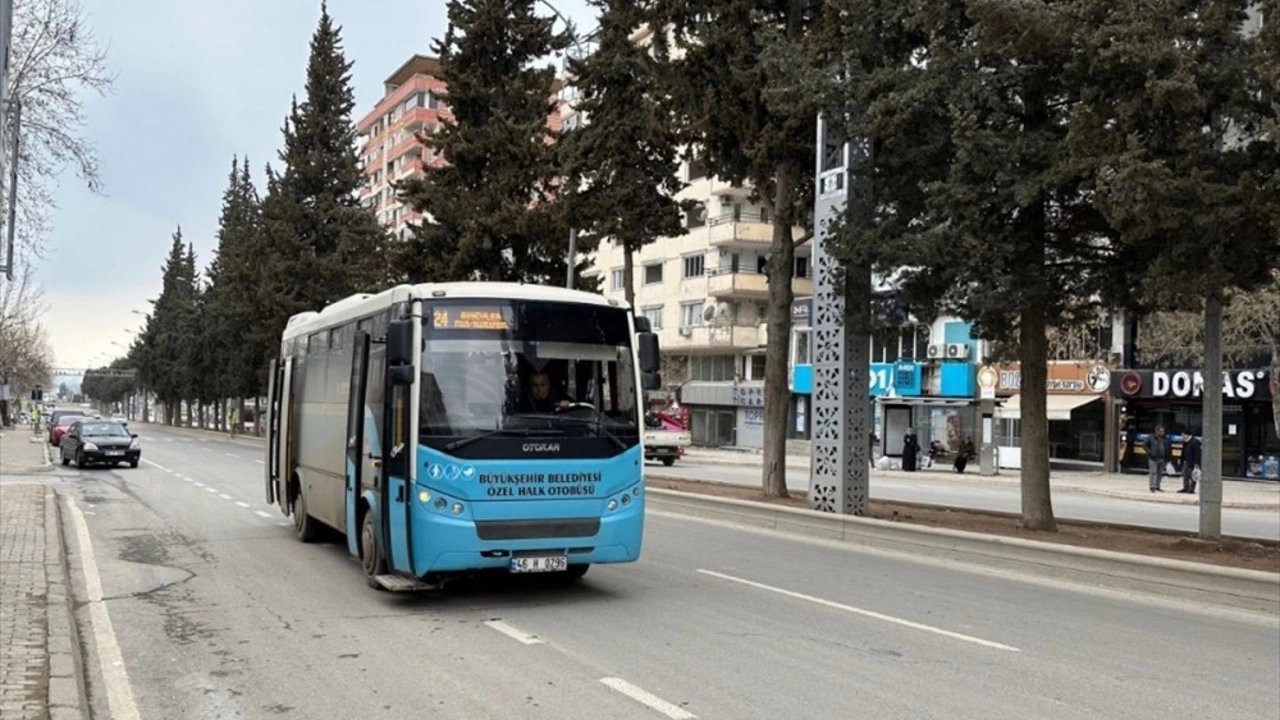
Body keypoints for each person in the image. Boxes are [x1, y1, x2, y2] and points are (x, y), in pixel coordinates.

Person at [1144, 425, 1170, 493]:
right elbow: (1144, 445)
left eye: (1163, 431)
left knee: (1160, 473)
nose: (1162, 433)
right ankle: (1152, 486)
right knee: (1153, 472)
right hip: (1153, 458)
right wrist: (1150, 452)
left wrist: (1168, 457)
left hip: (1162, 458)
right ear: (1157, 431)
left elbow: (1168, 447)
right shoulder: (1151, 437)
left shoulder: (1166, 438)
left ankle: (1157, 486)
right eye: (1161, 431)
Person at [1179, 429, 1202, 494]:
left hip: (1192, 462)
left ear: (1187, 435)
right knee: (1185, 475)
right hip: (1186, 461)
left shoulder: (1195, 442)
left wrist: (1196, 463)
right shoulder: (1185, 442)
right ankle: (1185, 487)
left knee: (1192, 475)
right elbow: (1183, 452)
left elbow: (1197, 453)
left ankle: (1191, 489)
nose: (1182, 437)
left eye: (1183, 435)